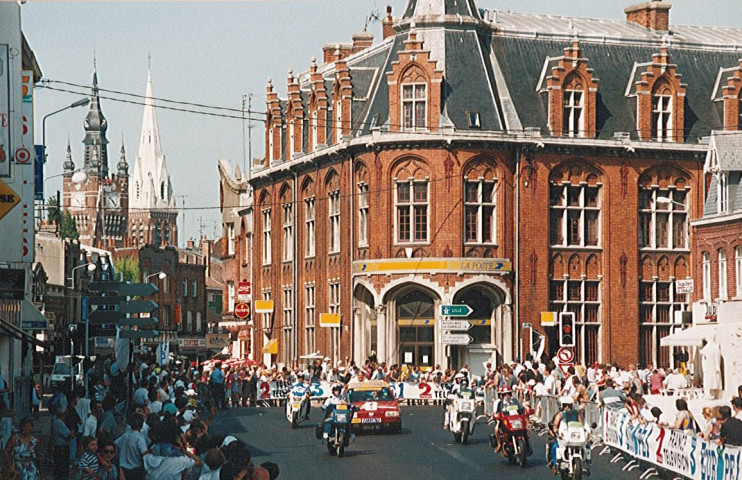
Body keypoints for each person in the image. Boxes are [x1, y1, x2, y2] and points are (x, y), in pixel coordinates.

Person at [548, 396, 583, 475]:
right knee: (555, 447)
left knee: (586, 445)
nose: (567, 407)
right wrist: (555, 429)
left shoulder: (576, 413)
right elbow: (555, 425)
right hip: (564, 436)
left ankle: (587, 463)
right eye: (565, 405)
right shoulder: (560, 414)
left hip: (576, 436)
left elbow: (581, 423)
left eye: (569, 405)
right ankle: (555, 464)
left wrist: (585, 430)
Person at [115, 413, 148, 480]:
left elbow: (115, 445)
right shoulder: (140, 438)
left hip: (122, 469)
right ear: (141, 425)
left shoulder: (124, 435)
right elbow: (144, 454)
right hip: (136, 470)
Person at [51, 408, 75, 480]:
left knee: (59, 467)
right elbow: (68, 436)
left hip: (57, 447)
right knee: (63, 468)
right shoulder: (60, 423)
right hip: (62, 447)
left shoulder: (55, 422)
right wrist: (72, 433)